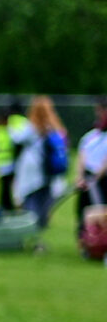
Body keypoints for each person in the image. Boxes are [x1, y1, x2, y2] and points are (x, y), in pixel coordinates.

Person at [21, 95, 69, 228]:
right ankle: (42, 222)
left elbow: (17, 139)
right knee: (45, 198)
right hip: (51, 169)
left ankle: (31, 225)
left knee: (32, 199)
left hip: (33, 169)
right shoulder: (57, 128)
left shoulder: (30, 128)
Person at [75, 103, 107, 212]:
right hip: (88, 176)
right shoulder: (91, 135)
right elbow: (82, 154)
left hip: (100, 179)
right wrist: (80, 177)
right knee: (85, 212)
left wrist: (95, 178)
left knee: (99, 212)